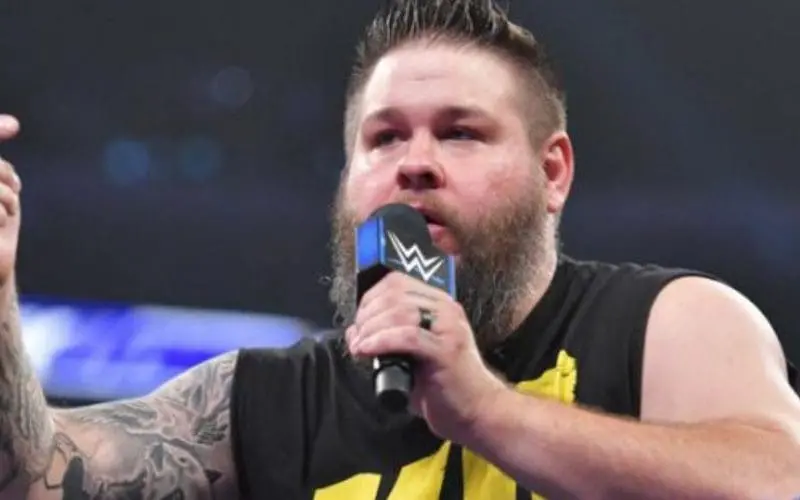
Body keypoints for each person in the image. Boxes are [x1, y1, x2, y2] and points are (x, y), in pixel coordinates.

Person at [1, 1, 799, 498]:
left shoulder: (667, 324)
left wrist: (485, 412)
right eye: (384, 138)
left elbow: (778, 482)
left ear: (552, 172)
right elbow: (37, 480)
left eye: (460, 132)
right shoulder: (268, 402)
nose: (415, 162)